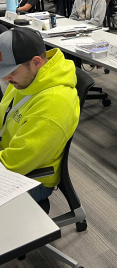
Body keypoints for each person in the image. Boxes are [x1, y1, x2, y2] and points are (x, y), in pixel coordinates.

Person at [0, 28, 80, 203]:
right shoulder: (26, 79)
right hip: (8, 156)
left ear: (36, 62)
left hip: (29, 178)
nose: (6, 79)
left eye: (11, 72)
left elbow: (14, 164)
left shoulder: (54, 105)